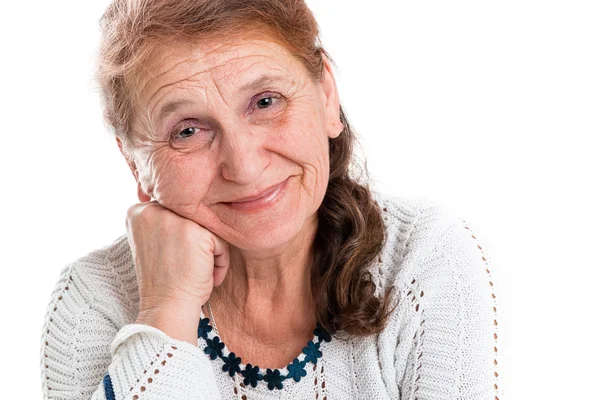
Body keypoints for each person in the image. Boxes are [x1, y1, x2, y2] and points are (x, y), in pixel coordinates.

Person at [40, 0, 502, 399]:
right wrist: (166, 310)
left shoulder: (423, 259)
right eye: (187, 131)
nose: (243, 165)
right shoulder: (93, 300)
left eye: (265, 102)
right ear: (135, 165)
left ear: (325, 95)